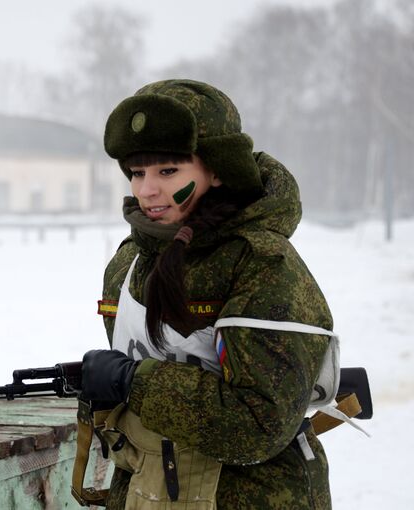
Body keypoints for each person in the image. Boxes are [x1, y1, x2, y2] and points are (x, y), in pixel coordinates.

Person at [79, 79, 335, 509]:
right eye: (137, 172)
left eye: (168, 171)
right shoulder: (129, 264)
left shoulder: (261, 265)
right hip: (149, 492)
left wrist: (132, 381)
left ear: (216, 170)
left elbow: (258, 425)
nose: (146, 190)